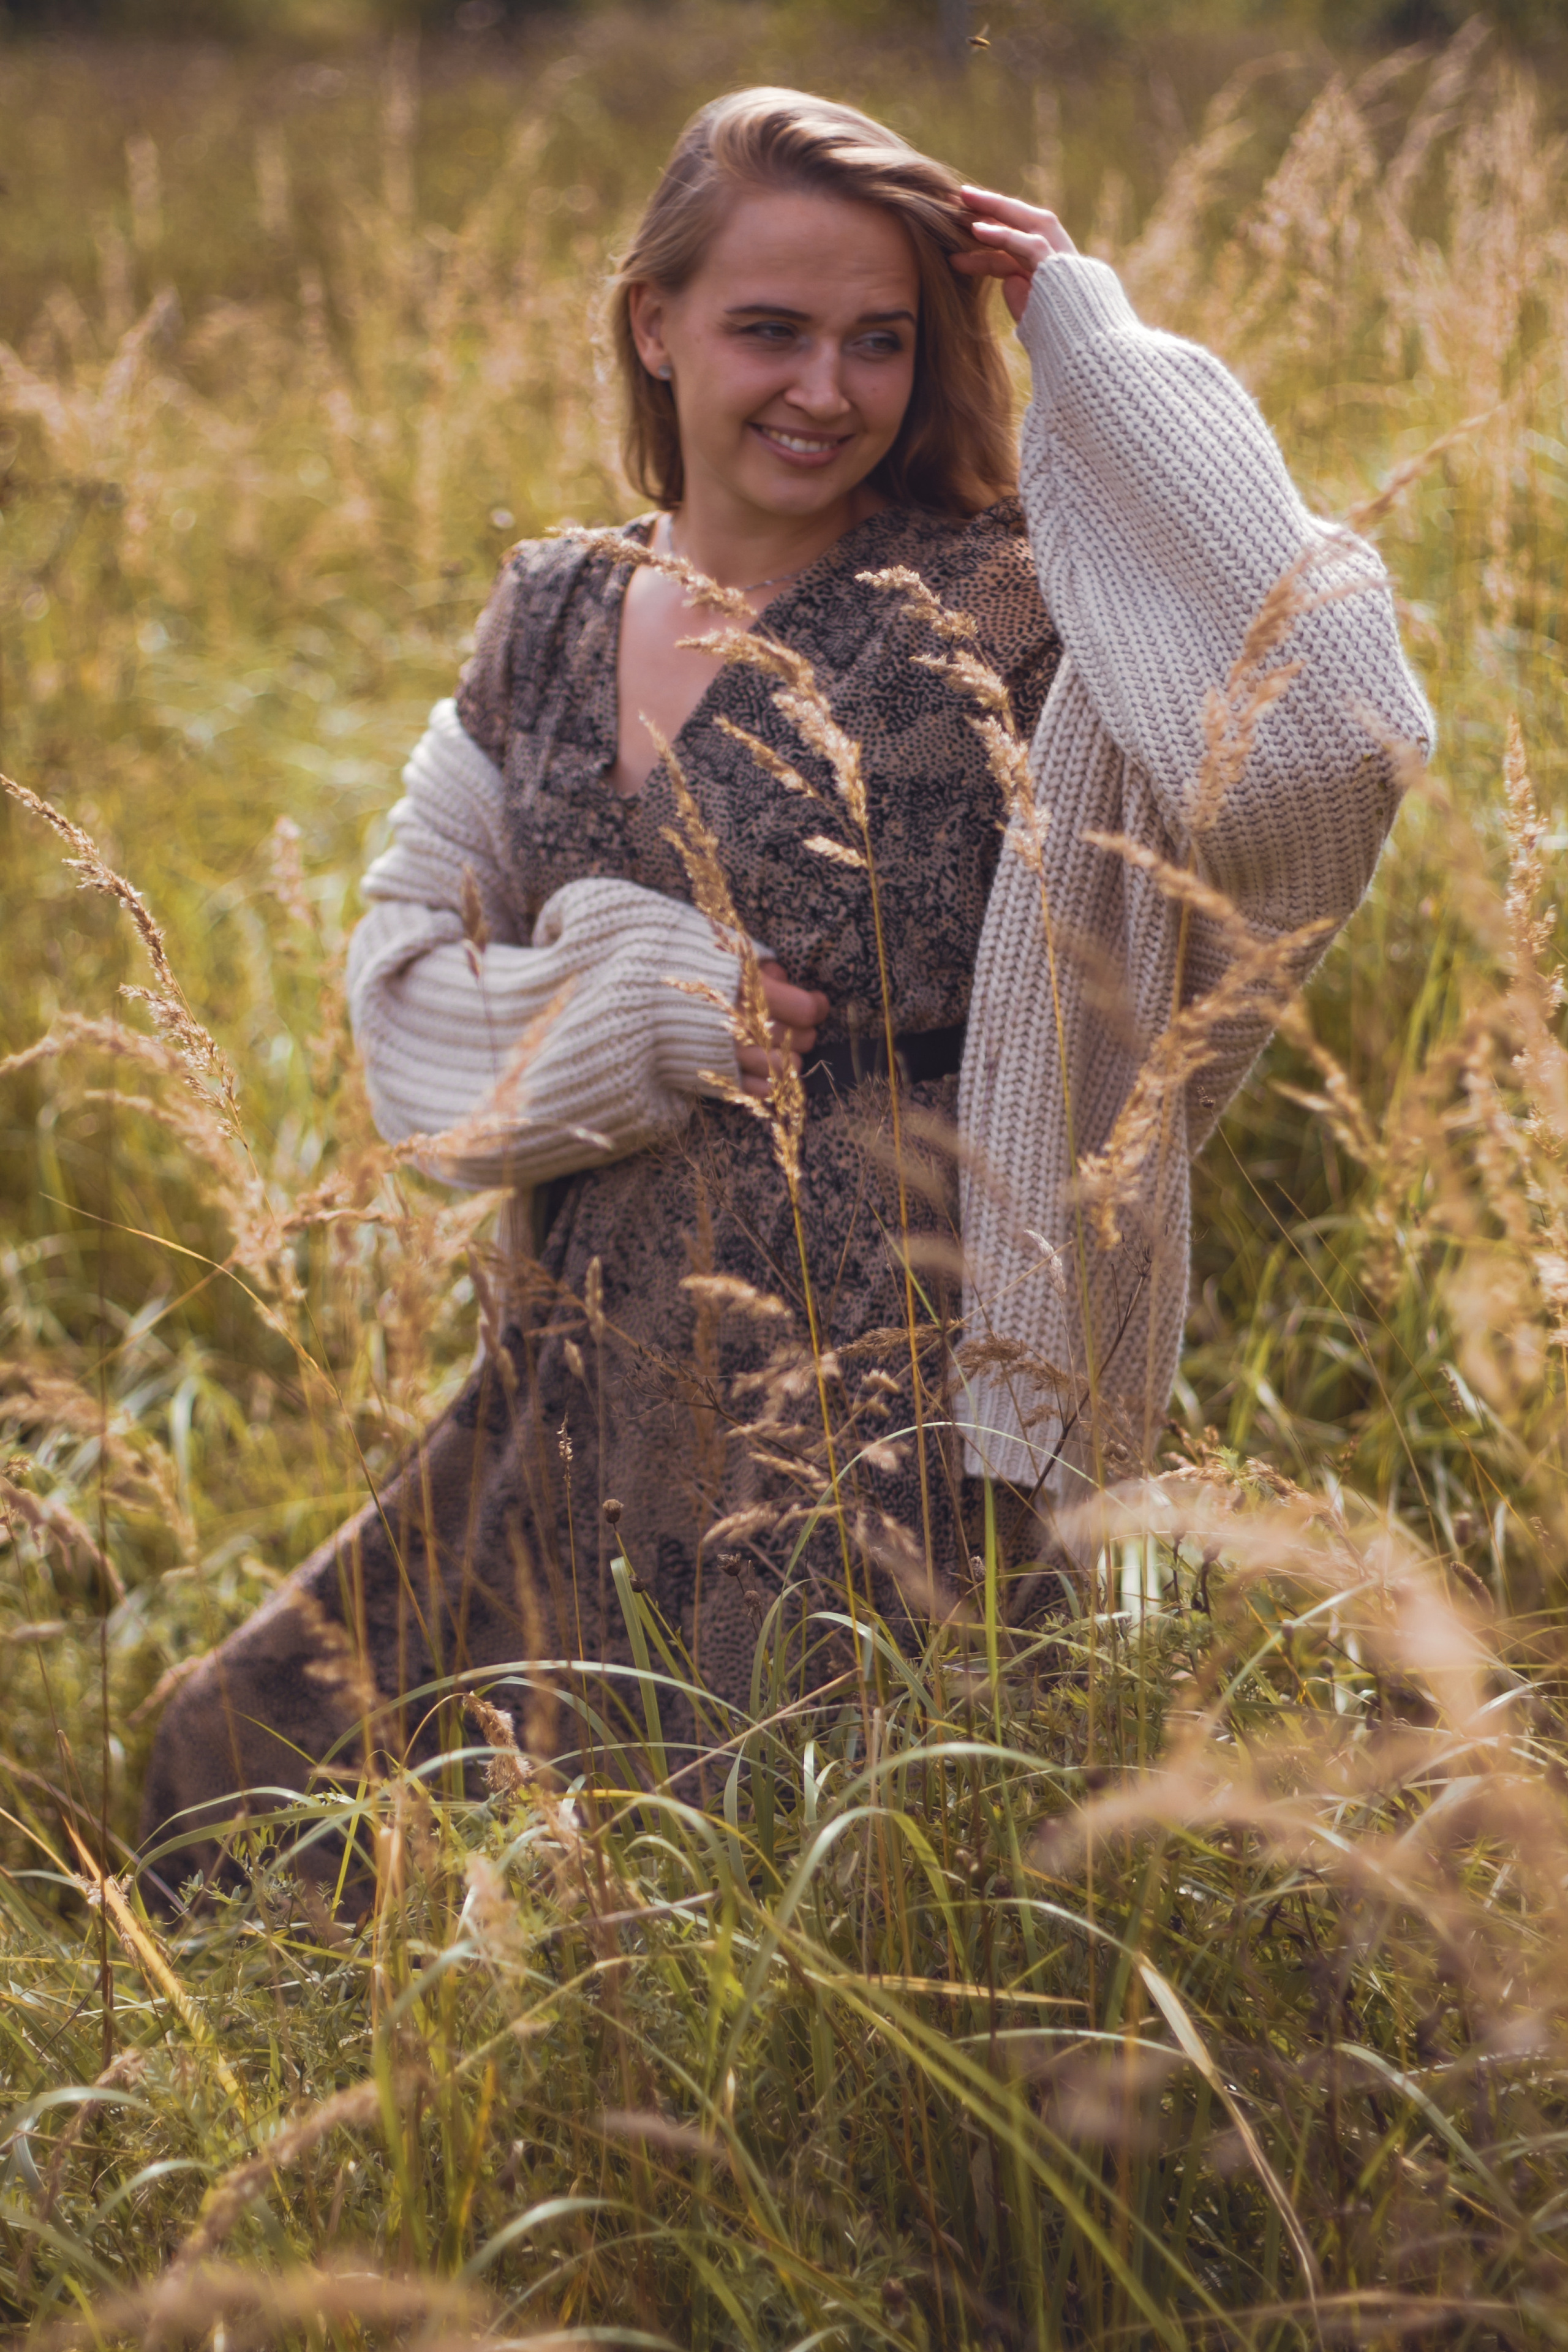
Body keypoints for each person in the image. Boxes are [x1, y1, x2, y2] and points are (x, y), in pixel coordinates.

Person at [140, 88, 1431, 1874]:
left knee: (779, 1890)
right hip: (576, 1382)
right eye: (770, 330)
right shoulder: (555, 612)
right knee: (238, 1762)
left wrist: (1097, 340)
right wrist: (639, 1010)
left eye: (880, 340)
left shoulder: (1016, 607)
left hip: (895, 1412)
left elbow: (1337, 740)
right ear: (654, 325)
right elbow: (402, 1001)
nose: (825, 389)